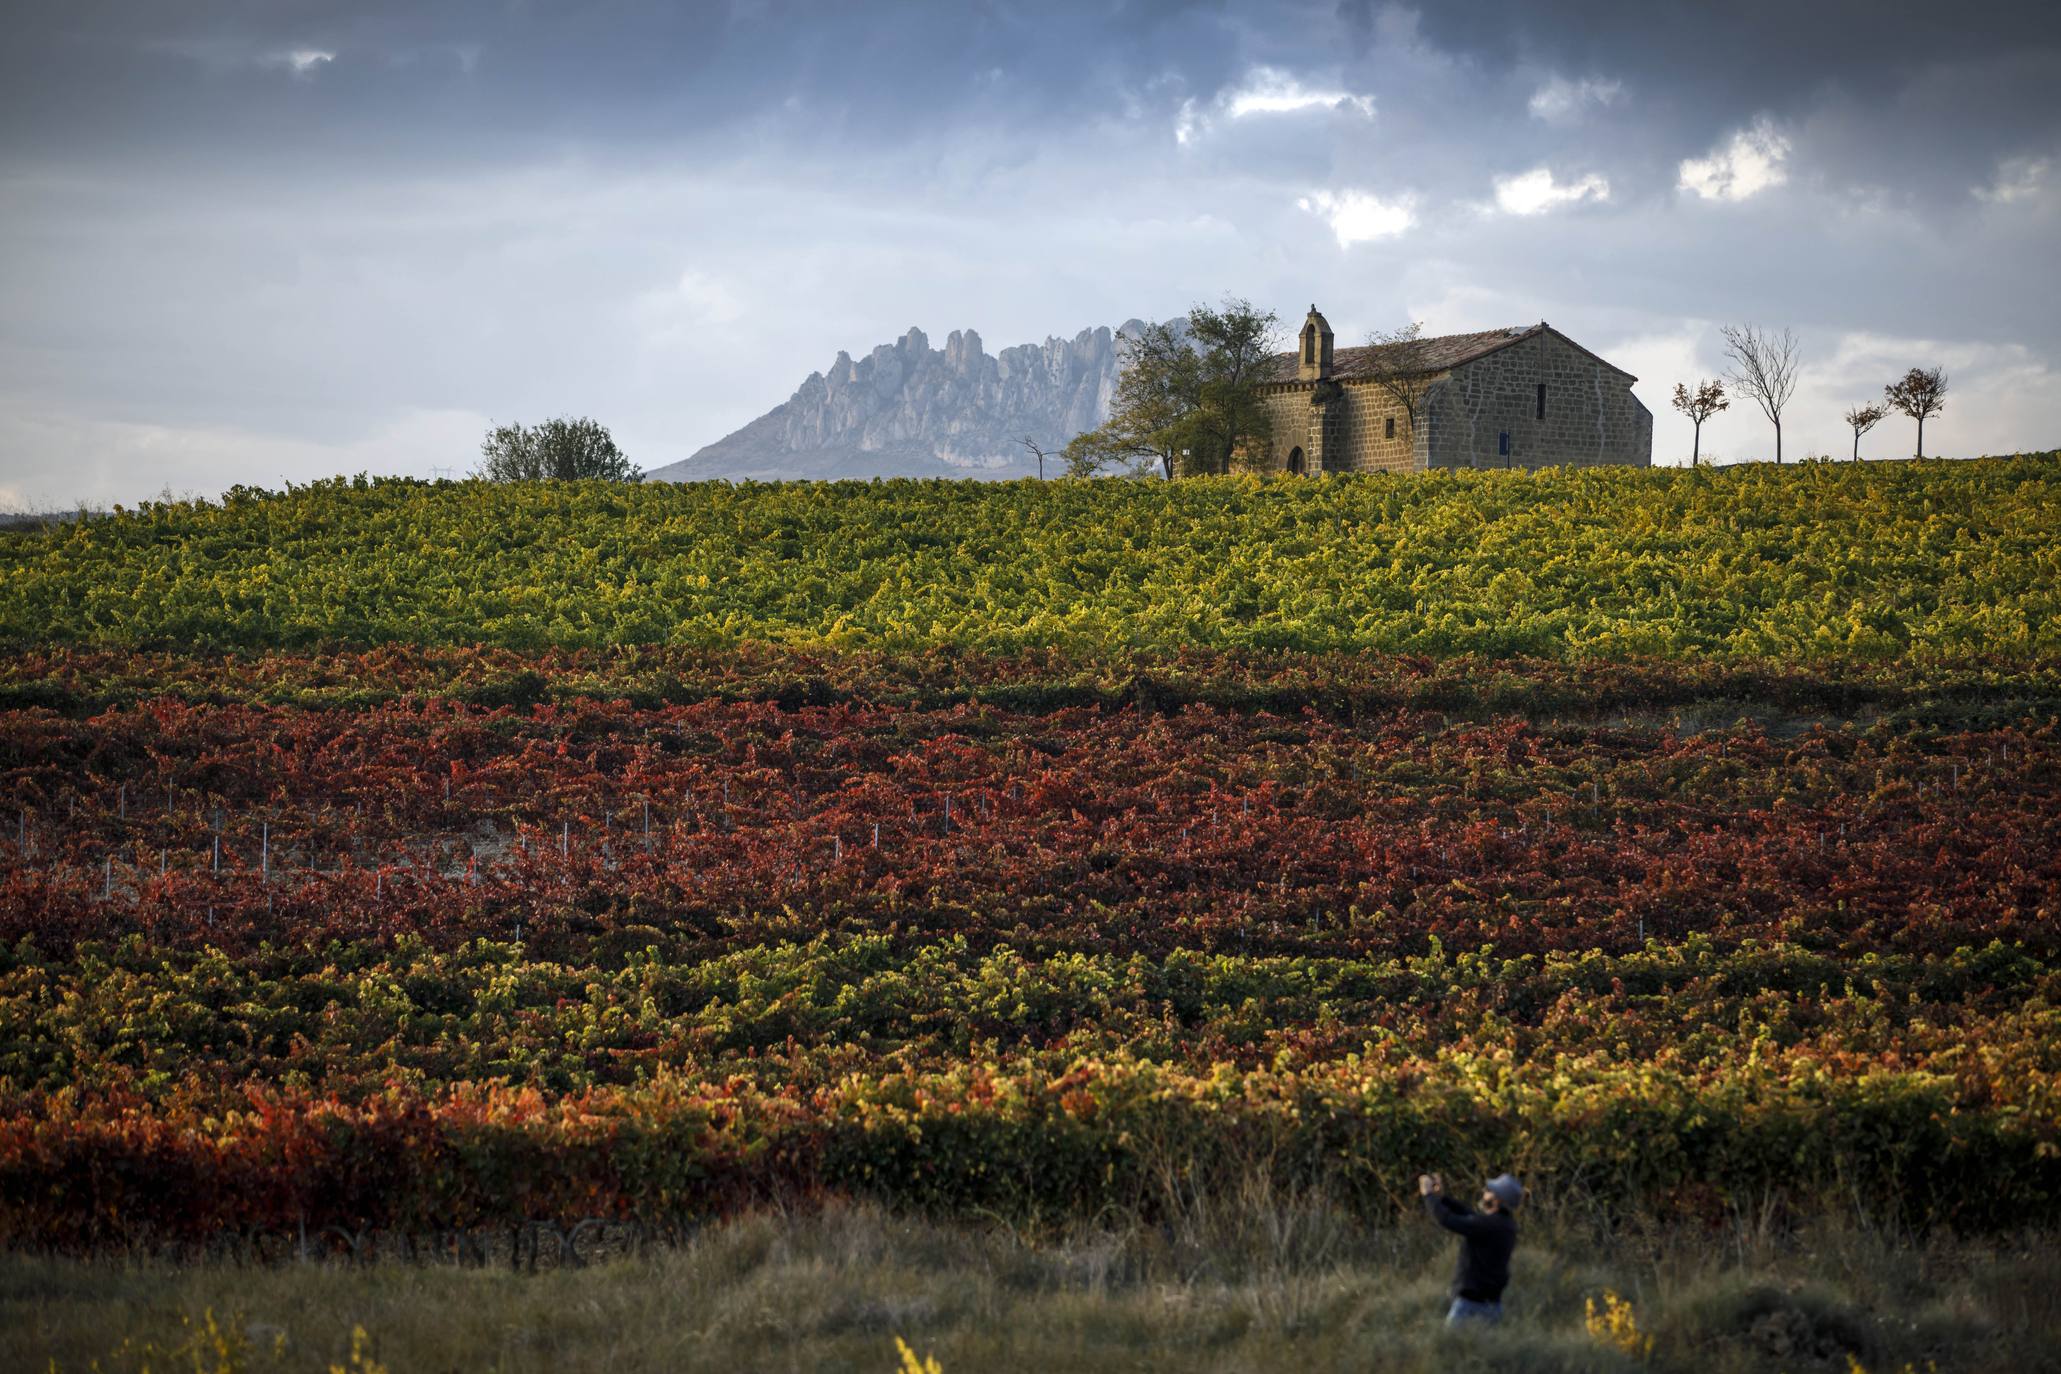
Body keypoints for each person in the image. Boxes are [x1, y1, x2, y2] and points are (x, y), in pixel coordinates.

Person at [1419, 1171, 1523, 1326]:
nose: (1484, 1193)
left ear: (1498, 1200)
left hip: (1471, 1307)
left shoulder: (1490, 1225)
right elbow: (1470, 1215)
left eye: (1488, 1191)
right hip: (1492, 1307)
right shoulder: (1505, 1225)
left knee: (1450, 1349)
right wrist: (1442, 1198)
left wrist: (1428, 1195)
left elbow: (1448, 1220)